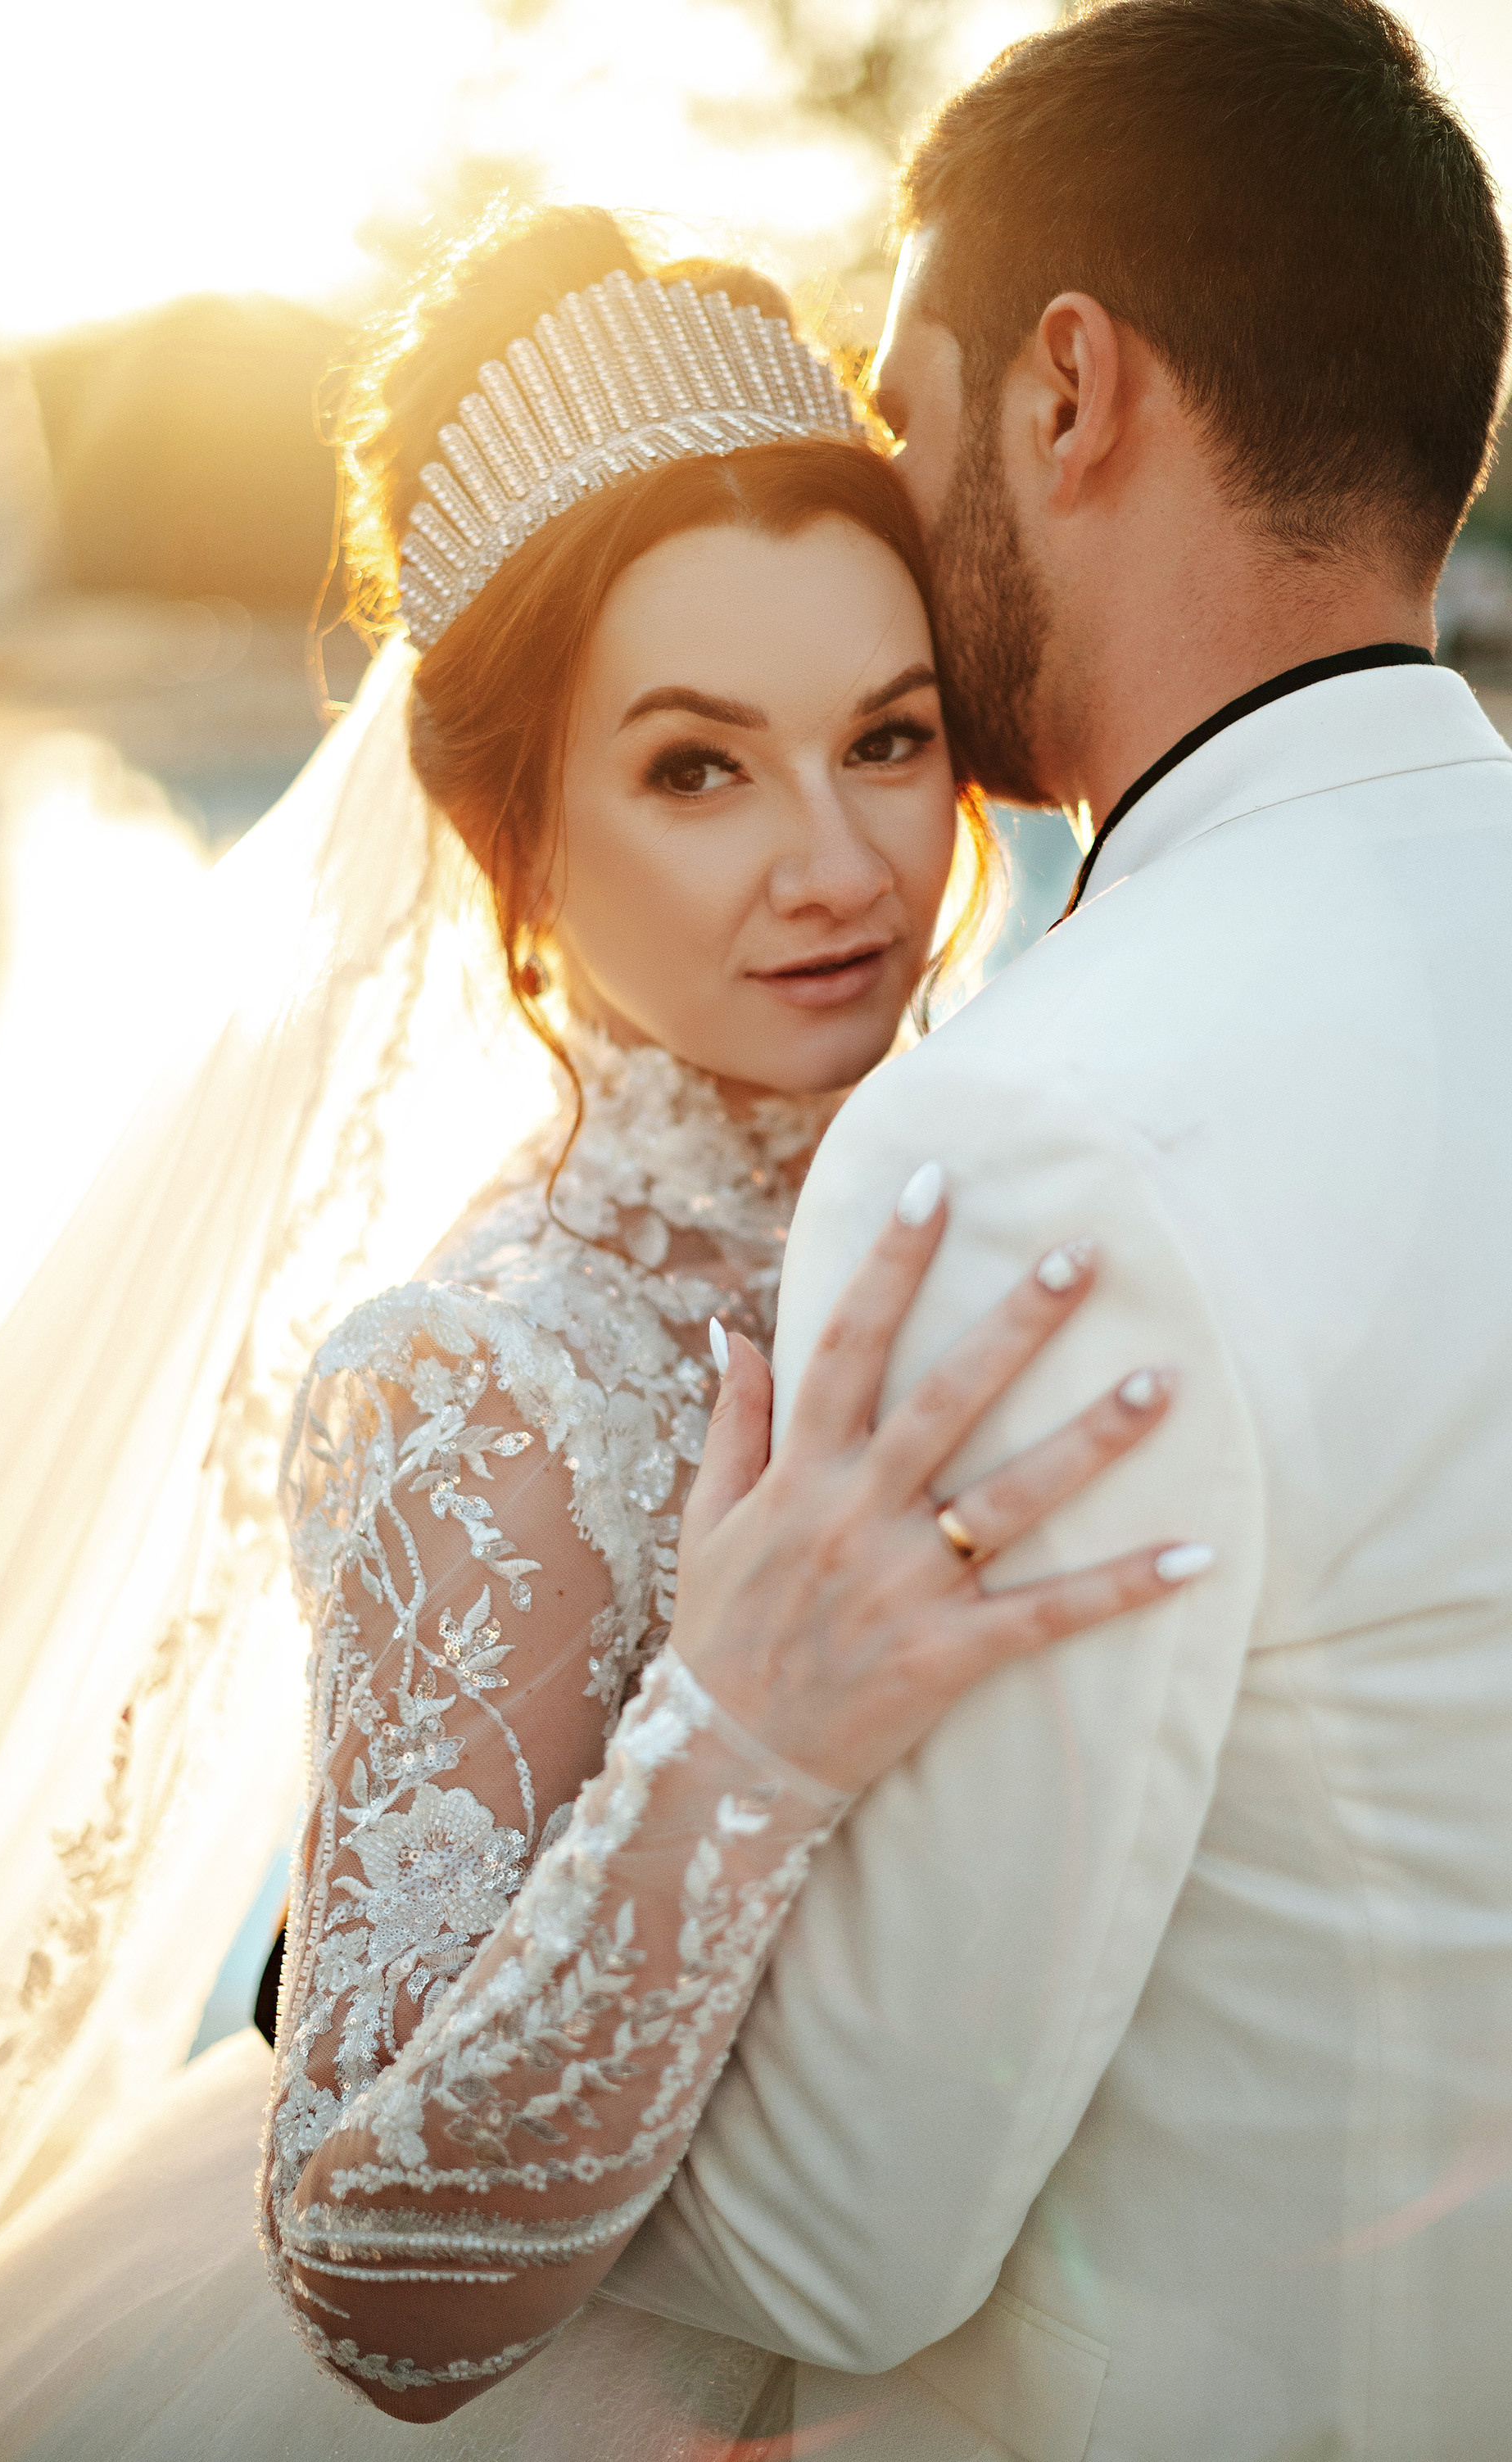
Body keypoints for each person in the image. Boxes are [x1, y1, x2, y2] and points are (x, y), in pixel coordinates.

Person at [0, 211, 1206, 2459]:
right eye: (697, 770)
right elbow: (374, 2272)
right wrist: (743, 1726)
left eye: (887, 742)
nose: (842, 865)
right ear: (516, 844)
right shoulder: (479, 1381)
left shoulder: (1021, 1197)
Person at [595, 5, 1512, 2458]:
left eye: (913, 410)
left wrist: (521, 1933)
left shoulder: (1025, 1132)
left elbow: (843, 2237)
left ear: (1072, 390)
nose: (896, 494)